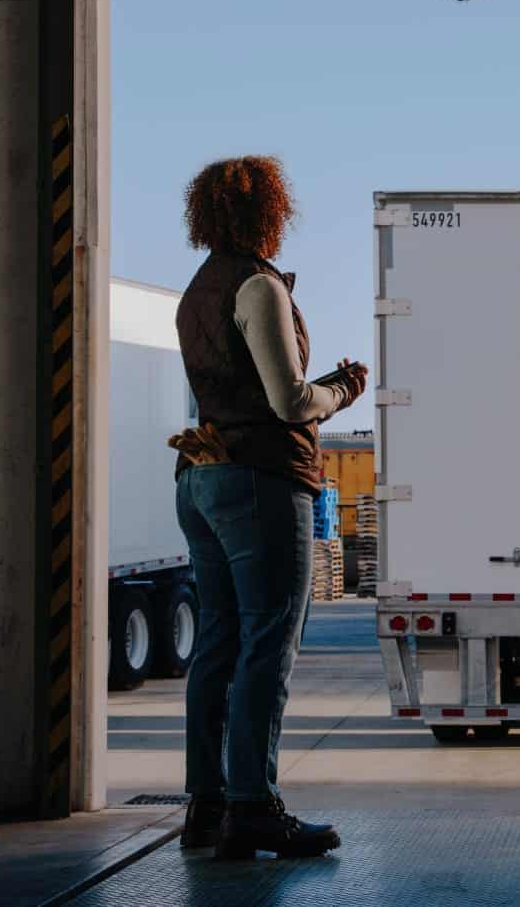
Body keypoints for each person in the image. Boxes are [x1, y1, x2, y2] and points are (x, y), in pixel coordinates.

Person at [167, 155, 366, 859]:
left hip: (201, 478)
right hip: (260, 479)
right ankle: (253, 807)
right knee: (268, 645)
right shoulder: (258, 285)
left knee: (218, 644)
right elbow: (290, 402)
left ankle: (208, 806)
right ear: (270, 213)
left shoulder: (196, 291)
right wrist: (343, 388)